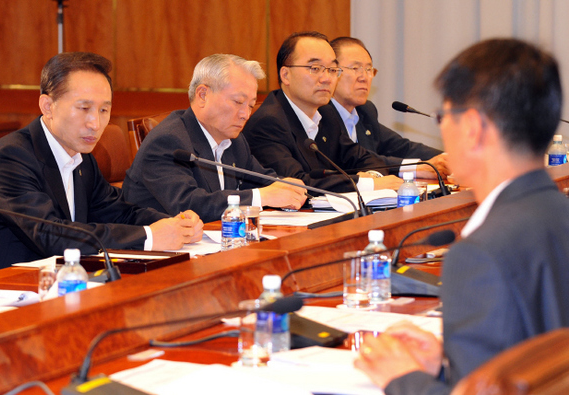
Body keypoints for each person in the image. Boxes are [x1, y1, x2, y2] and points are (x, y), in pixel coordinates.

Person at [354, 38, 569, 394]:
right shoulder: (558, 212)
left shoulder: (479, 254)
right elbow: (527, 359)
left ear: (472, 128)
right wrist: (446, 365)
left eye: (443, 117)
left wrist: (402, 378)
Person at [0, 52, 203, 273]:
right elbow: (51, 235)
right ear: (48, 106)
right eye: (84, 108)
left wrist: (176, 224)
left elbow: (119, 211)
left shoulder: (82, 158)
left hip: (64, 279)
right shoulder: (12, 157)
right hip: (7, 288)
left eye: (104, 110)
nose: (95, 123)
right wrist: (149, 237)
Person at [122, 54, 307, 223]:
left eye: (250, 105)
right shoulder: (168, 141)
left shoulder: (234, 140)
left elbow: (260, 178)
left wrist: (287, 186)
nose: (245, 114)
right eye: (238, 102)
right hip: (161, 252)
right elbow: (189, 205)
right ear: (203, 95)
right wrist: (262, 196)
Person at [243, 31, 403, 194]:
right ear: (286, 75)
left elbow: (366, 159)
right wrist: (368, 185)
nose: (327, 78)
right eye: (315, 68)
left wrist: (372, 176)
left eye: (333, 69)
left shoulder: (326, 114)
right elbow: (297, 184)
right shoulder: (268, 123)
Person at [320, 36, 448, 180]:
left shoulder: (365, 111)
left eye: (369, 69)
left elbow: (401, 147)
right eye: (355, 68)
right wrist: (415, 168)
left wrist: (448, 159)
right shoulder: (320, 113)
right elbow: (356, 160)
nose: (364, 77)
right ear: (332, 72)